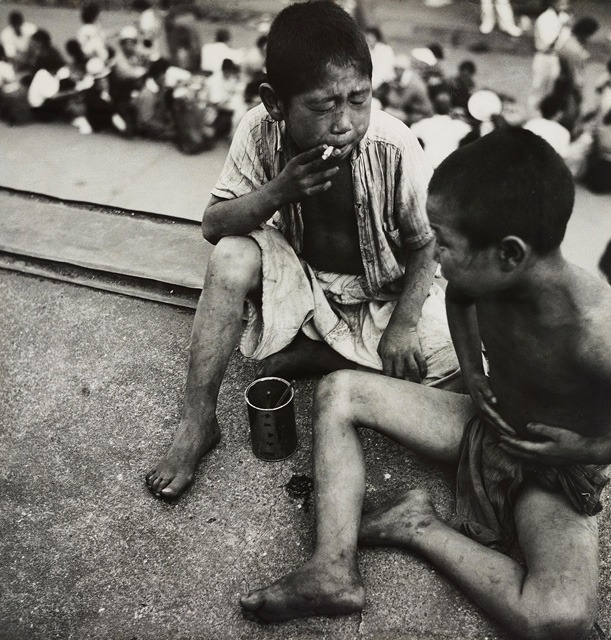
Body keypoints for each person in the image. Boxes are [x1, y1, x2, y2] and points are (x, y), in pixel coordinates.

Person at [240, 128, 611, 640]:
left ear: (509, 253)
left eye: (447, 243)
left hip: (554, 474)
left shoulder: (596, 331)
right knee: (341, 390)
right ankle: (332, 569)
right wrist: (474, 374)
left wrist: (588, 447)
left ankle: (417, 526)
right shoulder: (485, 276)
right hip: (485, 429)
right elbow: (458, 300)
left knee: (559, 619)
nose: (433, 255)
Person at [145, 0, 460, 500]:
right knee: (231, 254)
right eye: (322, 106)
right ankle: (197, 420)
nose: (344, 123)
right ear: (276, 103)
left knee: (452, 363)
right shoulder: (258, 129)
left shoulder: (393, 145)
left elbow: (429, 244)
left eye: (359, 100)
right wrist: (278, 191)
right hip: (305, 286)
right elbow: (212, 224)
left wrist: (402, 325)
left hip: (382, 296)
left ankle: (319, 355)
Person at [529, 0, 571, 114]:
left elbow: (566, 40)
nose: (565, 6)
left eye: (566, 3)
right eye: (562, 3)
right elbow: (548, 44)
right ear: (553, 3)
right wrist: (562, 28)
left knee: (553, 86)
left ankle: (547, 112)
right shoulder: (544, 19)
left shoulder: (564, 17)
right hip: (543, 57)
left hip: (556, 57)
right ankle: (532, 112)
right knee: (538, 86)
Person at [410, 91, 471, 167]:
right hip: (449, 166)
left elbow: (412, 129)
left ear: (434, 107)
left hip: (430, 167)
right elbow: (470, 130)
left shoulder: (423, 124)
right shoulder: (459, 125)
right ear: (450, 108)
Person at [376, 53, 433, 126]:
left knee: (386, 114)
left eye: (395, 68)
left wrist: (391, 87)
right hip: (412, 111)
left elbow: (397, 103)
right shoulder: (407, 78)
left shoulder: (412, 83)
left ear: (400, 69)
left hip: (421, 116)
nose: (393, 71)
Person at [364, 26, 395, 92]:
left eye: (370, 37)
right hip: (369, 81)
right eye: (366, 37)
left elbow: (385, 71)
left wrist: (372, 84)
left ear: (376, 38)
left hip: (384, 83)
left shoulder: (385, 50)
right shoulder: (366, 50)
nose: (367, 39)